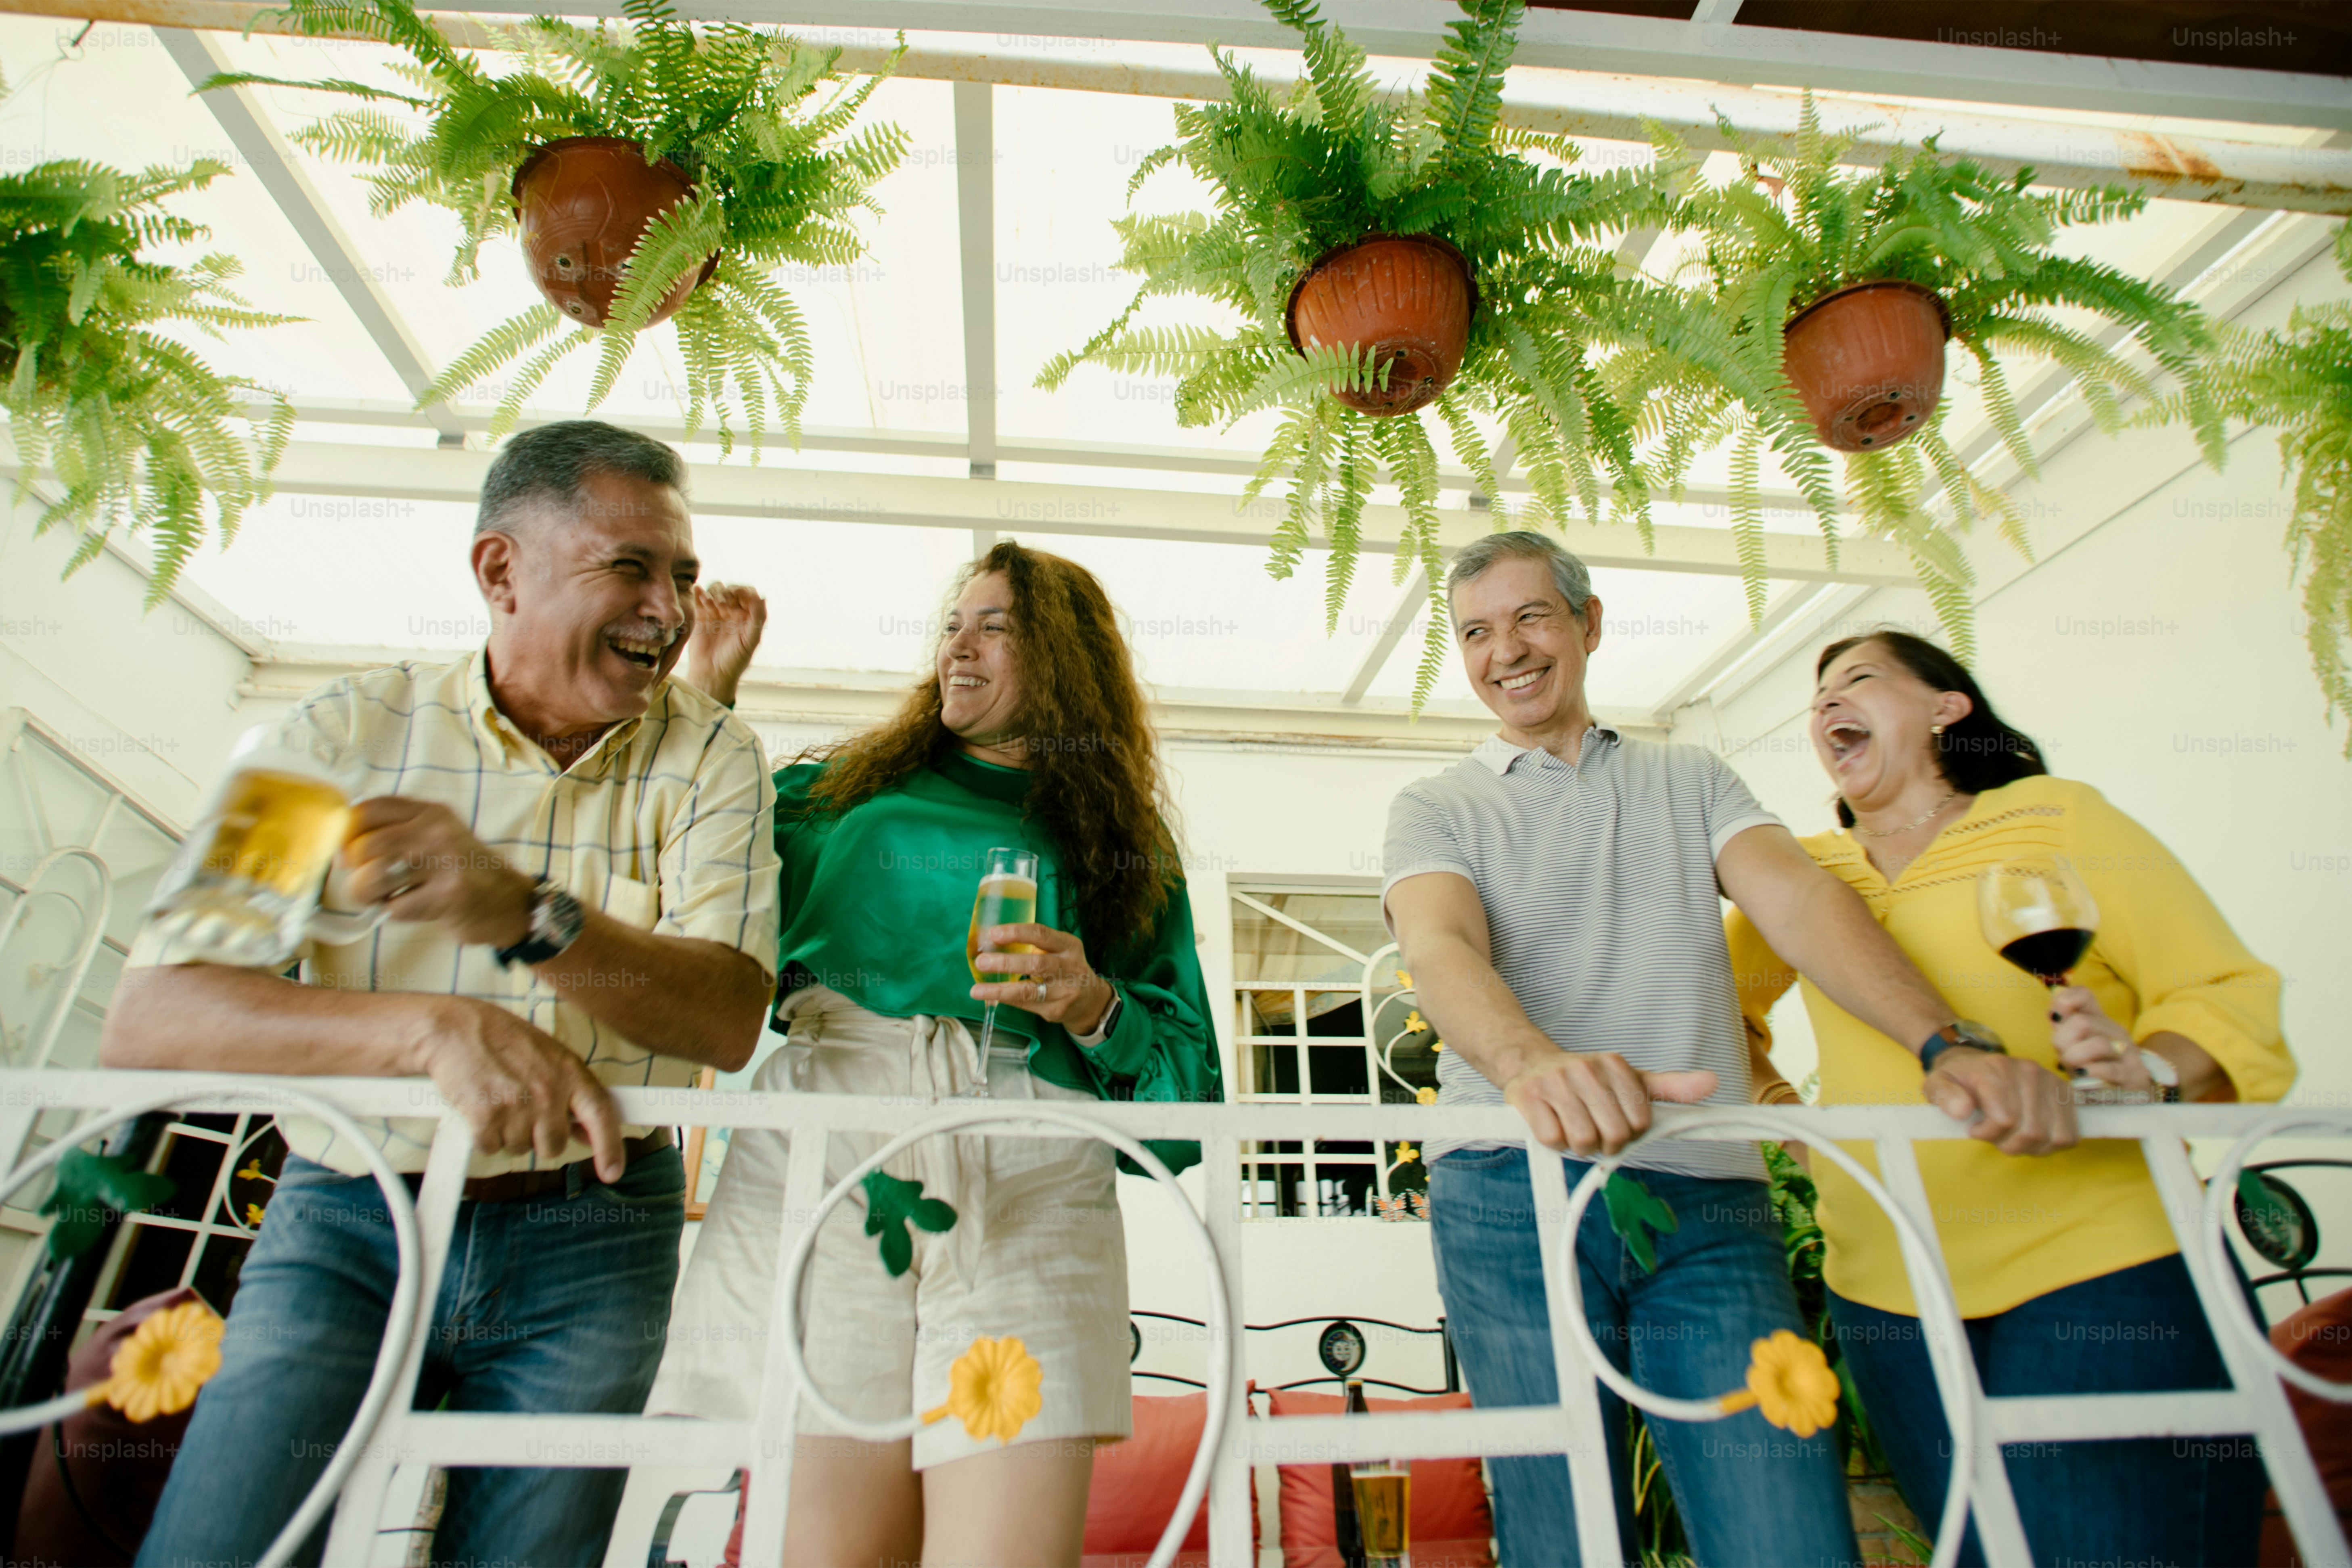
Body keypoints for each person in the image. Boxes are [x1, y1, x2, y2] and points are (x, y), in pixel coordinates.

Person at [107, 420, 779, 1567]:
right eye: (630, 567)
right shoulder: (339, 733)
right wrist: (430, 1030)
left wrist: (517, 909)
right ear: (499, 570)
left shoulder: (713, 757)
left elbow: (724, 1015)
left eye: (681, 576)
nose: (668, 609)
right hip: (346, 1209)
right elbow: (154, 1014)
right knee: (222, 1546)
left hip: (597, 1228)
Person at [1382, 531, 2075, 1567]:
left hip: (1707, 1191)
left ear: (1588, 623)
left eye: (1531, 616)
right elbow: (1437, 945)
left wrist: (1946, 1040)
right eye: (1476, 632)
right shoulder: (1436, 805)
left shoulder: (1688, 775)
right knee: (1563, 1531)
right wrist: (1532, 1064)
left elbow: (1798, 897)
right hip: (1506, 1186)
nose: (1505, 651)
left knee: (1785, 1524)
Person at [652, 540, 1220, 1568]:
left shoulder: (1118, 842)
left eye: (995, 625)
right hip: (837, 1144)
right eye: (954, 623)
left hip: (1029, 1159)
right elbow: (691, 865)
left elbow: (1188, 1096)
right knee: (831, 1554)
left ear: (1063, 657)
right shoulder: (832, 793)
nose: (959, 644)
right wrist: (710, 690)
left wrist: (1093, 1002)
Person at [1731, 628, 2290, 1566]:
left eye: (1858, 680)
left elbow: (2218, 989)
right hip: (1887, 1290)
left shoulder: (2054, 818)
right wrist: (1791, 1125)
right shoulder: (1801, 871)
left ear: (1949, 705)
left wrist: (2143, 1068)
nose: (1827, 704)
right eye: (1817, 696)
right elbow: (1710, 1015)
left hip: (2103, 1263)